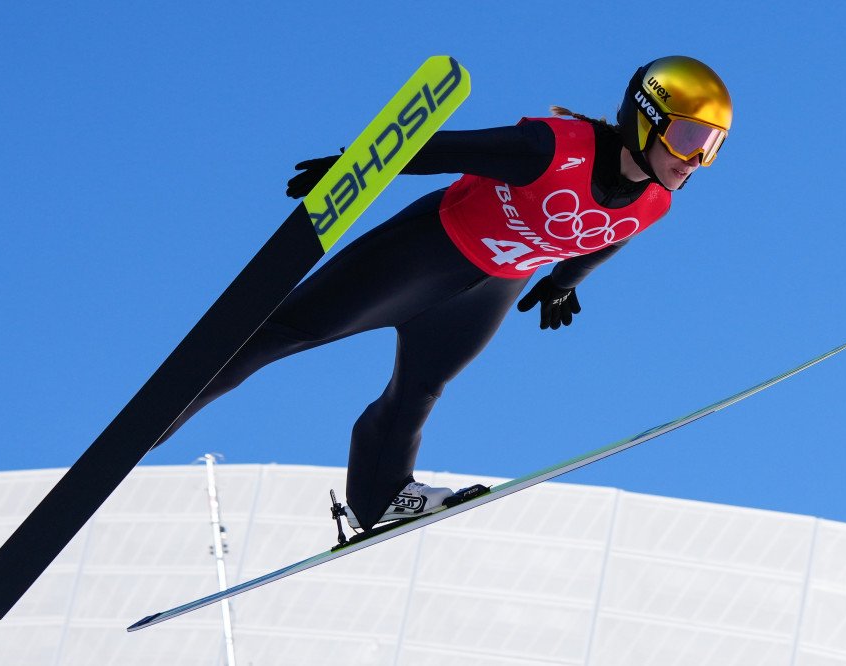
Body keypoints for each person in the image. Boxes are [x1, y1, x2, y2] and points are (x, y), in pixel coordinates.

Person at [161, 55, 733, 531]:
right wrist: (354, 168)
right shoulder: (554, 148)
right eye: (689, 138)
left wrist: (562, 284)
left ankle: (378, 498)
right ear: (645, 118)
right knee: (288, 333)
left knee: (419, 390)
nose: (697, 161)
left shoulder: (656, 202)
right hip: (427, 252)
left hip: (487, 292)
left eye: (712, 145)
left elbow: (606, 238)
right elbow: (444, 149)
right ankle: (158, 417)